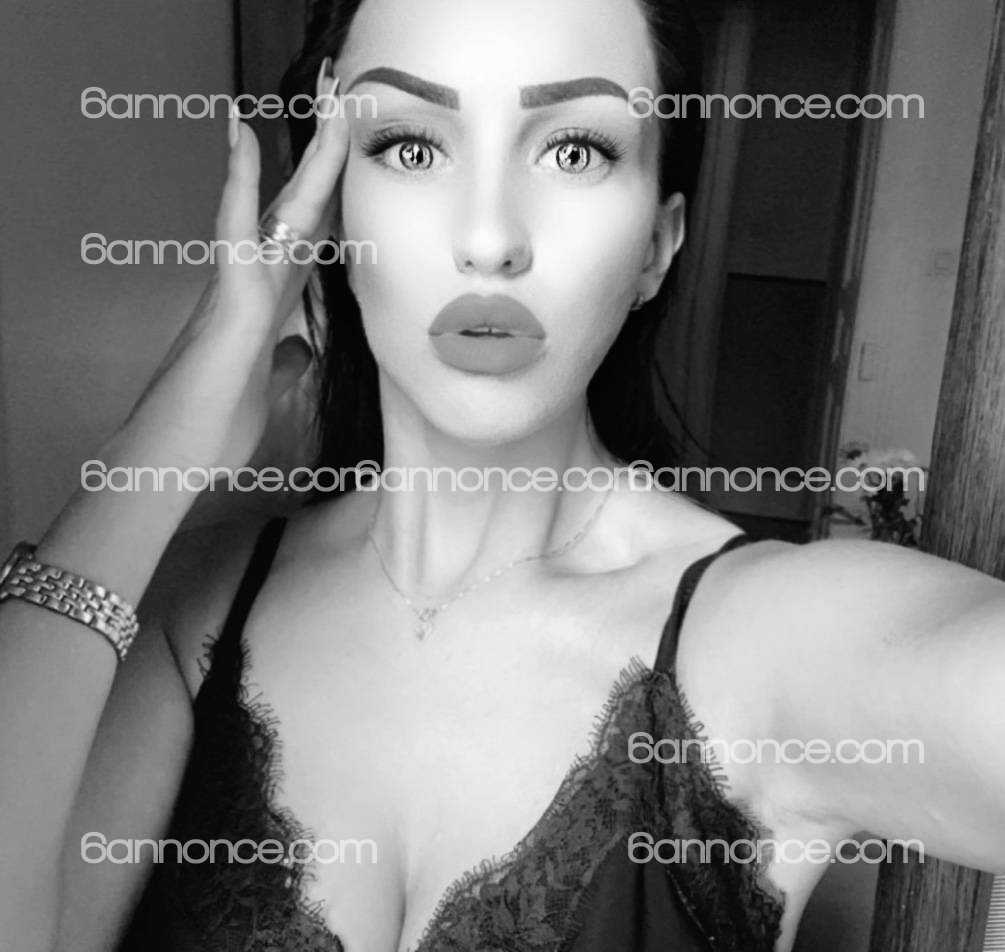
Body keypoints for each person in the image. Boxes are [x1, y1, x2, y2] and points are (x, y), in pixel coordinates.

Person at [1, 0, 1003, 950]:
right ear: (332, 220)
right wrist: (160, 444)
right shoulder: (178, 613)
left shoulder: (769, 641)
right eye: (410, 146)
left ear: (656, 247)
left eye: (574, 151)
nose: (489, 240)